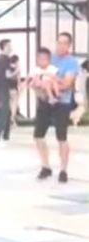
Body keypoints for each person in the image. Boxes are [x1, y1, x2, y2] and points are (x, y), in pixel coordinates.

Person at [32, 37, 78, 183]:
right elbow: (36, 77)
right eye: (59, 42)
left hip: (62, 104)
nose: (61, 45)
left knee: (61, 138)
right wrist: (38, 85)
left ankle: (63, 170)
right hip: (44, 102)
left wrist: (52, 82)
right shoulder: (49, 58)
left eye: (64, 43)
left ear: (69, 45)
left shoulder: (72, 62)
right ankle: (45, 166)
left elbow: (67, 84)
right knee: (38, 136)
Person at [0, 38, 14, 143]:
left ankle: (6, 135)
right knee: (4, 113)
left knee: (8, 112)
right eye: (9, 46)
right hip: (3, 88)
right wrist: (17, 71)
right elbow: (8, 75)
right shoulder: (5, 59)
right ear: (4, 47)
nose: (11, 48)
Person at [8, 54, 22, 126]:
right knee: (14, 104)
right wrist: (19, 88)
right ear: (16, 61)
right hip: (14, 88)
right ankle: (12, 118)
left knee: (10, 104)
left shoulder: (7, 67)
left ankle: (12, 120)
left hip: (7, 88)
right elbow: (19, 80)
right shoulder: (18, 69)